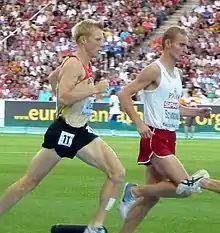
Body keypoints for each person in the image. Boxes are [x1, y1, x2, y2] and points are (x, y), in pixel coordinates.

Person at [0, 20, 125, 233]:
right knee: (29, 182)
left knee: (118, 173)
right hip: (65, 131)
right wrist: (93, 90)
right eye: (98, 39)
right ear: (84, 41)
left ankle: (95, 226)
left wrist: (79, 95)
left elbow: (52, 78)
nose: (101, 43)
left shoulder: (83, 63)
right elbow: (64, 96)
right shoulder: (74, 63)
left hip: (80, 130)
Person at [117, 26, 220, 233]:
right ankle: (134, 190)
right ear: (167, 44)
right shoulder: (154, 70)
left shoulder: (177, 73)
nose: (185, 49)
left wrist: (195, 112)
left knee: (151, 200)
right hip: (155, 135)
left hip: (169, 136)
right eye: (181, 44)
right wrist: (139, 122)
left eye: (186, 45)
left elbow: (173, 107)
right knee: (185, 187)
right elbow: (124, 94)